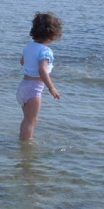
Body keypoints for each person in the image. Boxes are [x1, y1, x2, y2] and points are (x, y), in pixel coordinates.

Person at [17, 12, 63, 140]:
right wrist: (51, 88)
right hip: (34, 89)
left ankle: (22, 139)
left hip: (23, 87)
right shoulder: (45, 51)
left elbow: (22, 62)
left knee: (27, 119)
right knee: (31, 121)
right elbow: (42, 70)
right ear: (53, 34)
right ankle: (26, 146)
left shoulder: (29, 46)